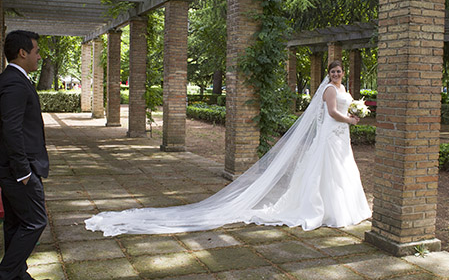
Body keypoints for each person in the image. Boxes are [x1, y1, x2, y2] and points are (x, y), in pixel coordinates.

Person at [84, 60, 371, 236]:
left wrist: (354, 113)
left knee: (341, 170)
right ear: (328, 74)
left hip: (340, 137)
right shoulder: (330, 90)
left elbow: (341, 109)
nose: (336, 74)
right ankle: (325, 210)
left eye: (339, 71)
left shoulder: (343, 89)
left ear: (342, 72)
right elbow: (332, 112)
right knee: (326, 170)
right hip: (333, 134)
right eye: (333, 71)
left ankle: (343, 208)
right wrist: (351, 119)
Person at [0, 30, 51, 280]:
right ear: (22, 53)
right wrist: (24, 171)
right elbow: (11, 130)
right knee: (36, 221)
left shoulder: (13, 79)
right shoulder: (13, 82)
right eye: (36, 51)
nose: (39, 56)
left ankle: (18, 276)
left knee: (16, 223)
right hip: (17, 170)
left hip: (11, 168)